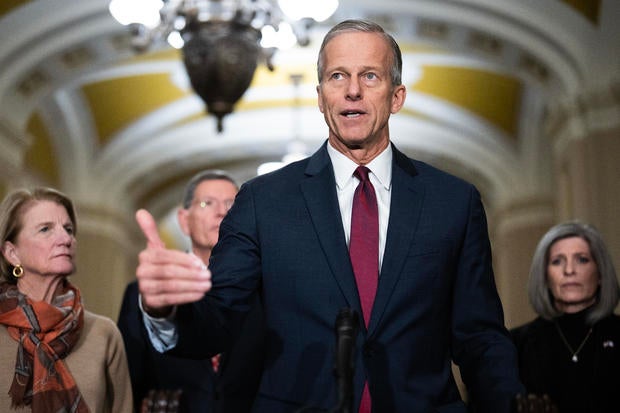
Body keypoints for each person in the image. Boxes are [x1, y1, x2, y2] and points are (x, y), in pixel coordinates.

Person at [135, 19, 524, 412]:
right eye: (338, 76)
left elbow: (479, 337)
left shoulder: (453, 201)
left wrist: (511, 404)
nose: (352, 90)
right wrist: (163, 308)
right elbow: (219, 321)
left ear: (397, 96)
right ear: (321, 97)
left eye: (370, 76)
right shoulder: (261, 201)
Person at [118, 170, 264, 413]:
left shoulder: (266, 290)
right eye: (207, 203)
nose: (222, 212)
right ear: (184, 220)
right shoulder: (142, 293)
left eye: (232, 203)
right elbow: (129, 379)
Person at [0, 187, 133, 412]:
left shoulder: (103, 334)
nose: (65, 239)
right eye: (45, 229)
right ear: (13, 254)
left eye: (68, 229)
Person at [511, 221, 620, 412]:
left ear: (601, 273)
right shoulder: (516, 345)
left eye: (582, 259)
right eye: (557, 261)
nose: (569, 270)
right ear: (544, 277)